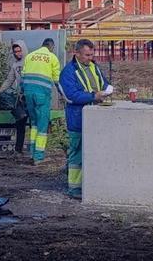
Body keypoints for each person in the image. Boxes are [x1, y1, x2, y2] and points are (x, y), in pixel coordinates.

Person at [59, 39, 110, 199]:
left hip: (95, 116)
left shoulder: (94, 67)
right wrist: (93, 96)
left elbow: (104, 83)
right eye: (87, 55)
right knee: (77, 152)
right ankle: (74, 188)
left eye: (92, 54)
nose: (90, 57)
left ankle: (88, 183)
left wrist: (106, 92)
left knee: (91, 151)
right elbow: (70, 95)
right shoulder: (69, 72)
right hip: (78, 117)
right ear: (77, 53)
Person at [20, 38, 61, 164]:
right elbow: (56, 80)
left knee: (34, 124)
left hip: (28, 93)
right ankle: (38, 157)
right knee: (42, 127)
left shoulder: (30, 56)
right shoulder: (52, 57)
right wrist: (63, 95)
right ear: (51, 47)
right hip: (42, 95)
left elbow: (23, 76)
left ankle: (32, 153)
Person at [0, 40, 28, 154]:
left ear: (23, 50)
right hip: (21, 97)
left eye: (19, 51)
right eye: (15, 52)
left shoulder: (30, 61)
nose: (18, 53)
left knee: (34, 125)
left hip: (30, 95)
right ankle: (18, 150)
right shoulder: (15, 65)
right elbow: (10, 80)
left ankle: (35, 152)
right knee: (20, 122)